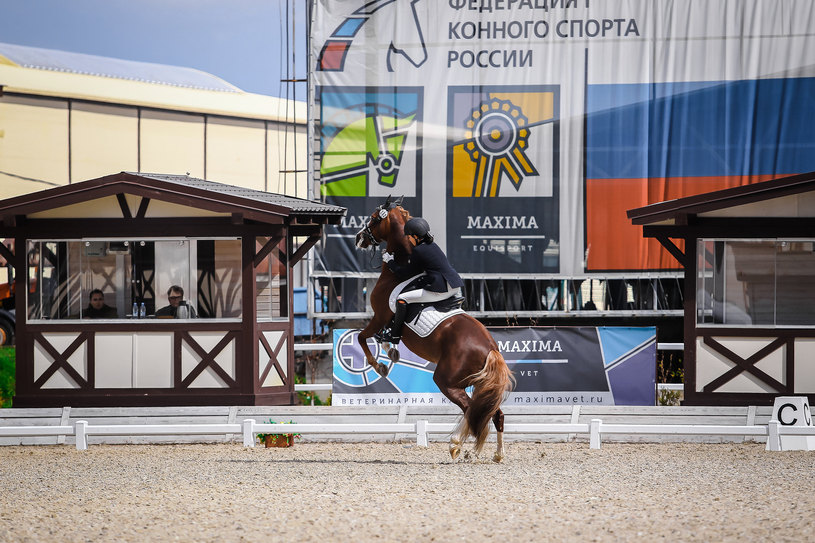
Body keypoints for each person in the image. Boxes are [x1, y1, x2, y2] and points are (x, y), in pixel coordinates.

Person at [379, 217, 463, 343]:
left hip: (441, 290)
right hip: (455, 285)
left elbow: (404, 274)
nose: (408, 239)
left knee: (402, 299)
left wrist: (389, 261)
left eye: (409, 237)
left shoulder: (418, 250)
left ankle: (394, 335)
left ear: (415, 236)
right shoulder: (432, 245)